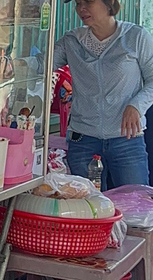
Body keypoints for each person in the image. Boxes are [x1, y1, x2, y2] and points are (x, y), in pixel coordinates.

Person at [53, 0, 153, 189]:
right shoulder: (72, 40)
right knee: (88, 209)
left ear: (109, 3)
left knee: (135, 205)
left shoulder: (136, 37)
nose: (81, 8)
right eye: (78, 3)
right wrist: (7, 65)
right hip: (83, 139)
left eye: (88, 2)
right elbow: (42, 64)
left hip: (127, 139)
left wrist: (136, 106)